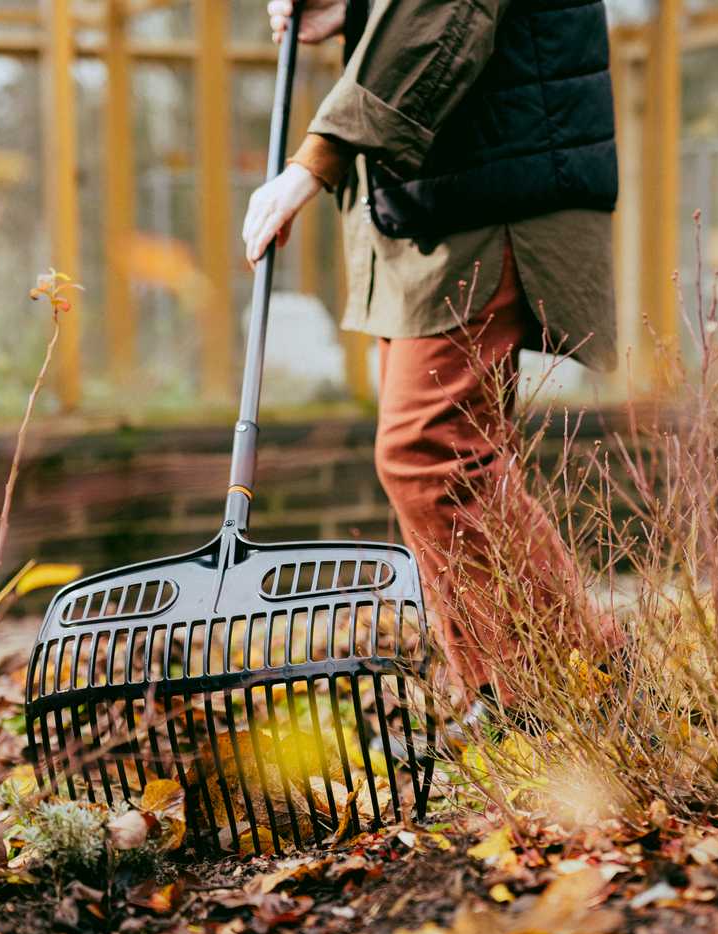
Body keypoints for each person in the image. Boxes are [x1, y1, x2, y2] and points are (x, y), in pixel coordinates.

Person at [242, 0, 623, 706]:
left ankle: (586, 684)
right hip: (439, 196)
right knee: (448, 455)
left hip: (489, 187)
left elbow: (447, 8)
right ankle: (506, 695)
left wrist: (315, 159)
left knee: (429, 452)